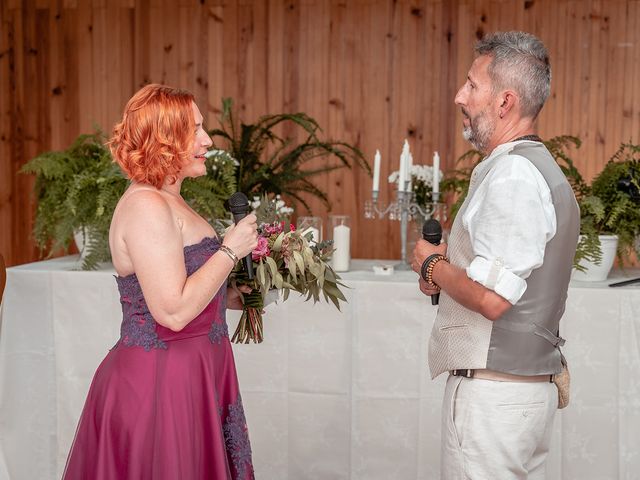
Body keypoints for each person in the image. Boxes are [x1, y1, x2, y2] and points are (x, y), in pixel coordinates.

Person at [63, 84, 258, 479]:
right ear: (166, 141)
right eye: (196, 130)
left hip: (197, 372)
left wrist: (238, 294)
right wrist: (230, 250)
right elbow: (171, 311)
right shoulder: (146, 205)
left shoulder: (173, 200)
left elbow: (189, 287)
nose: (207, 140)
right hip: (159, 384)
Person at [412, 32, 579, 479]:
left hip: (494, 400)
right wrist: (449, 267)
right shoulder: (532, 168)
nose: (459, 96)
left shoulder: (513, 176)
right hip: (515, 397)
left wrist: (431, 263)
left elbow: (491, 300)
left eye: (471, 85)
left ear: (504, 102)